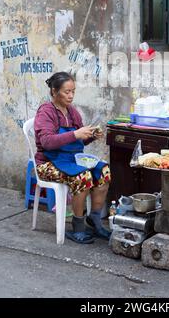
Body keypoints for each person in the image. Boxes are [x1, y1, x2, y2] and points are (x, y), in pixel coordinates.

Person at [34, 71, 111, 244]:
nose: (70, 96)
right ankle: (78, 227)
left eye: (73, 91)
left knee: (103, 170)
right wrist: (76, 134)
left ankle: (95, 219)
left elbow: (78, 141)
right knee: (82, 176)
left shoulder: (72, 112)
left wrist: (91, 135)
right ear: (54, 92)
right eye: (66, 92)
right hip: (48, 163)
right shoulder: (46, 112)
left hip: (70, 159)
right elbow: (46, 142)